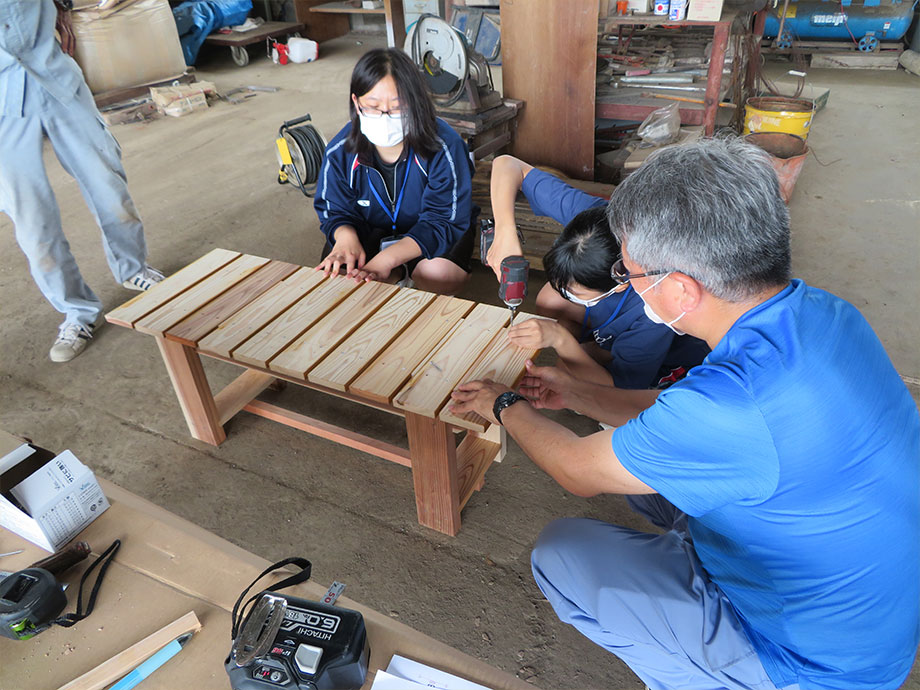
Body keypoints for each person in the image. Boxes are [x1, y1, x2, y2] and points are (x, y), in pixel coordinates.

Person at [450, 138, 920, 690]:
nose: (630, 289)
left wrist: (504, 405)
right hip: (867, 606)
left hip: (812, 664)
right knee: (646, 484)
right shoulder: (821, 311)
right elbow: (676, 409)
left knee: (562, 554)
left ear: (679, 289)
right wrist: (577, 394)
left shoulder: (732, 407)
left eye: (633, 274)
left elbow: (577, 470)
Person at [0, 0, 164, 363]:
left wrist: (63, 5)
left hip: (53, 75)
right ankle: (76, 311)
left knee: (108, 185)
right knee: (32, 221)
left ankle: (133, 269)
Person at [489, 155, 707, 389]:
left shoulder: (656, 308)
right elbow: (507, 164)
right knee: (550, 301)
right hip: (622, 312)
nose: (567, 295)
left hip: (672, 359)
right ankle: (601, 348)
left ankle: (607, 351)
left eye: (575, 292)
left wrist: (560, 340)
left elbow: (621, 390)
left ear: (621, 282)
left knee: (572, 380)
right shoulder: (595, 223)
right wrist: (505, 233)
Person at [314, 48, 476, 295]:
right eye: (373, 105)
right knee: (340, 273)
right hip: (370, 231)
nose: (384, 116)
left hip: (433, 234)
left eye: (398, 107)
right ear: (357, 103)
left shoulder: (444, 146)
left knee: (436, 274)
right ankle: (396, 275)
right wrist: (346, 238)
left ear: (416, 103)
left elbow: (443, 220)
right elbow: (334, 209)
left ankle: (416, 278)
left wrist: (386, 260)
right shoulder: (340, 151)